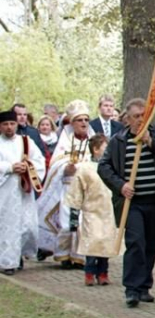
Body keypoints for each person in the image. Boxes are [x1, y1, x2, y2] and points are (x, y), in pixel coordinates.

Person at [99, 99, 155, 308]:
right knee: (136, 243)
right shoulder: (118, 141)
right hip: (132, 203)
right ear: (127, 118)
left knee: (151, 245)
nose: (141, 119)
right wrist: (120, 185)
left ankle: (144, 287)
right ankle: (132, 288)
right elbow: (104, 167)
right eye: (136, 116)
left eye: (144, 115)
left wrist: (152, 142)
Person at [37, 100, 95, 267]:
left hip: (88, 190)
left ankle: (80, 256)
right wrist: (65, 168)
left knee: (84, 224)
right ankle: (64, 255)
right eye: (79, 120)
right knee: (67, 223)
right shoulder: (65, 140)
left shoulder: (93, 140)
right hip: (68, 189)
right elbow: (56, 163)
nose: (83, 123)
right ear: (72, 122)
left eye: (86, 120)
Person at [67, 134, 120, 286]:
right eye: (105, 148)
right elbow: (76, 192)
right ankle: (89, 272)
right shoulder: (84, 169)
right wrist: (74, 216)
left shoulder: (112, 167)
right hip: (91, 211)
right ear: (96, 150)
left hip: (108, 211)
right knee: (92, 243)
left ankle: (103, 272)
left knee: (105, 243)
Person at [0, 109, 44, 275]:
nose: (9, 127)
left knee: (28, 226)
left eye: (12, 123)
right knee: (6, 227)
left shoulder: (26, 142)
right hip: (4, 192)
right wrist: (9, 167)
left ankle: (18, 254)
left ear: (17, 124)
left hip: (23, 191)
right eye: (5, 124)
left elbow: (39, 162)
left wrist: (27, 167)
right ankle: (7, 262)